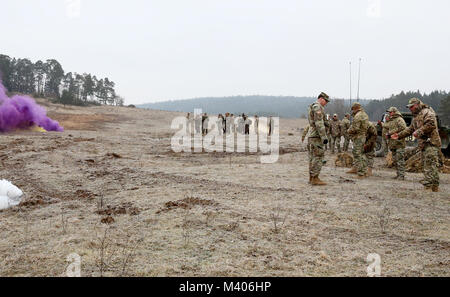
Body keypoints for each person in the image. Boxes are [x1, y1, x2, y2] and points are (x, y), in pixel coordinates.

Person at [391, 98, 441, 192]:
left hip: (431, 142)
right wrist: (399, 135)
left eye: (412, 107)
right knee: (427, 164)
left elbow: (431, 124)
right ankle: (432, 186)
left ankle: (430, 186)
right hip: (424, 144)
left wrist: (419, 131)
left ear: (417, 104)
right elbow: (410, 129)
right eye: (409, 107)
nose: (410, 109)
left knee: (430, 164)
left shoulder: (427, 112)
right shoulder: (416, 117)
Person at [307, 92, 330, 185]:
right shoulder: (318, 107)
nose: (326, 103)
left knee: (312, 157)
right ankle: (315, 178)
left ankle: (311, 178)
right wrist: (324, 136)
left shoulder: (312, 106)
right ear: (321, 99)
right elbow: (319, 123)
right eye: (326, 101)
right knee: (318, 156)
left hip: (312, 135)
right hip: (317, 136)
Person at [347, 102, 370, 178]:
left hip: (358, 137)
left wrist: (349, 131)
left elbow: (355, 128)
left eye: (353, 109)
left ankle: (361, 173)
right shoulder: (365, 115)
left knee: (357, 154)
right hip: (363, 136)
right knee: (361, 154)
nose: (352, 111)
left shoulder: (357, 116)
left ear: (355, 108)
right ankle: (364, 171)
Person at [383, 107, 407, 180]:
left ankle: (401, 175)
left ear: (394, 112)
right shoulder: (392, 120)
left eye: (390, 112)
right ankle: (398, 174)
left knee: (400, 160)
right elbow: (388, 127)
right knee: (396, 160)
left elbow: (403, 127)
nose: (389, 114)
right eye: (389, 112)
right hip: (393, 143)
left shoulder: (399, 119)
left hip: (399, 143)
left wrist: (391, 132)